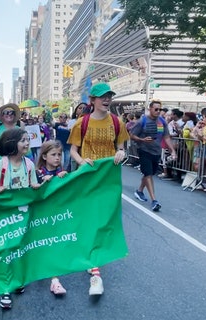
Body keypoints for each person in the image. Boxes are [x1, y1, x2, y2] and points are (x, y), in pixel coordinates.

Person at [67, 83, 128, 296]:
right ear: (92, 100)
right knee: (91, 218)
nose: (107, 99)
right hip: (89, 178)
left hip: (109, 179)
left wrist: (121, 155)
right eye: (102, 96)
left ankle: (95, 256)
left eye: (109, 96)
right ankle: (94, 263)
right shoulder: (81, 123)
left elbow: (121, 149)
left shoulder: (117, 122)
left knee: (105, 219)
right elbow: (73, 151)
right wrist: (82, 161)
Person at [0, 128, 41, 309]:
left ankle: (18, 279)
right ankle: (5, 287)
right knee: (6, 249)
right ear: (12, 143)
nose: (27, 143)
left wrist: (37, 186)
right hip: (5, 216)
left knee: (20, 247)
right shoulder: (1, 165)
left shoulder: (29, 164)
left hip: (23, 215)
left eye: (28, 140)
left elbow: (33, 185)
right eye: (23, 140)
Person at [34, 140, 69, 295]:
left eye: (59, 155)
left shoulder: (61, 172)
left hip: (56, 215)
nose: (57, 158)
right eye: (53, 154)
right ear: (44, 156)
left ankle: (54, 281)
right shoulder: (37, 173)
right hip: (41, 216)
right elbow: (32, 193)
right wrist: (42, 183)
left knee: (52, 245)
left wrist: (64, 178)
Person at [129, 99, 176, 212]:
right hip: (144, 150)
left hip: (156, 151)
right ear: (150, 109)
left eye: (159, 109)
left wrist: (173, 151)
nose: (158, 111)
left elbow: (166, 137)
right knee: (148, 174)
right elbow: (131, 135)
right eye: (156, 109)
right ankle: (154, 200)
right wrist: (142, 139)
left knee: (149, 174)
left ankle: (139, 191)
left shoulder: (162, 122)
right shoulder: (142, 121)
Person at [0, 102, 22, 174]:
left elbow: (26, 148)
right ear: (2, 115)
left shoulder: (19, 129)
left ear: (14, 115)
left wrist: (33, 166)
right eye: (6, 112)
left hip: (14, 163)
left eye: (12, 112)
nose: (9, 114)